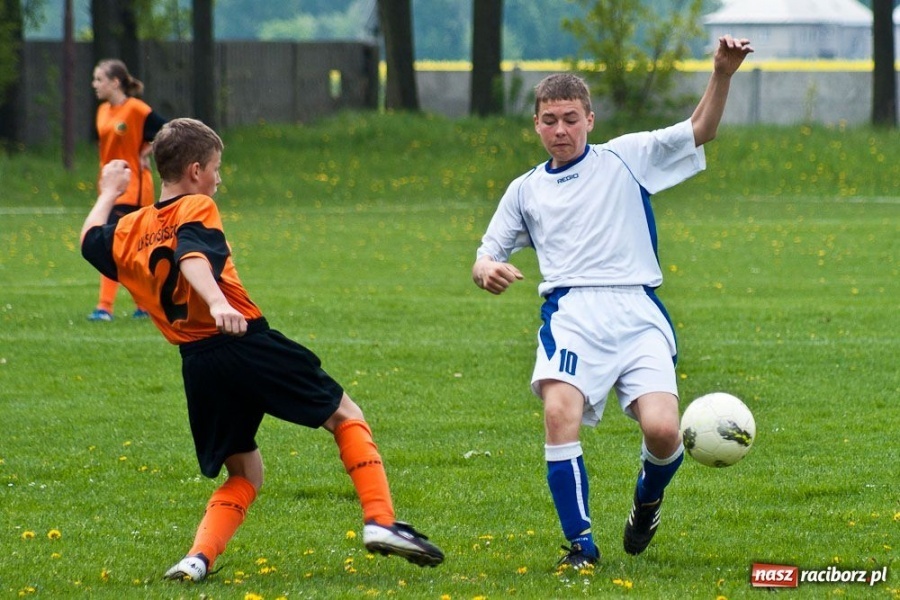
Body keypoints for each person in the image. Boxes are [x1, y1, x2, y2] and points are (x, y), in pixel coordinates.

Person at [80, 118, 444, 581]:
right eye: (215, 168)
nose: (218, 178)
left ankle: (197, 558)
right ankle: (380, 521)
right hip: (241, 340)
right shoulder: (196, 204)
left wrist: (110, 190)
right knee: (346, 416)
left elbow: (90, 240)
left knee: (246, 474)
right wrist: (216, 303)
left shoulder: (130, 228)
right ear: (194, 170)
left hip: (199, 365)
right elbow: (192, 255)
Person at [471, 35, 753, 569]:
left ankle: (647, 502)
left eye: (571, 118)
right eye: (550, 119)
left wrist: (722, 73)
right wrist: (487, 269)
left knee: (665, 431)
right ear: (535, 125)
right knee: (559, 413)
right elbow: (486, 253)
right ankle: (580, 546)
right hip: (572, 314)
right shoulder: (525, 190)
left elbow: (701, 131)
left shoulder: (626, 158)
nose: (560, 130)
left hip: (637, 311)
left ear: (590, 120)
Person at [87, 59, 167, 321]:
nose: (94, 84)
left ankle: (104, 307)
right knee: (130, 249)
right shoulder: (102, 111)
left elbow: (167, 130)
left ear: (115, 82)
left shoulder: (136, 109)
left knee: (109, 244)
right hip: (111, 186)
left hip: (133, 186)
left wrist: (146, 151)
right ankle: (145, 304)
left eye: (99, 79)